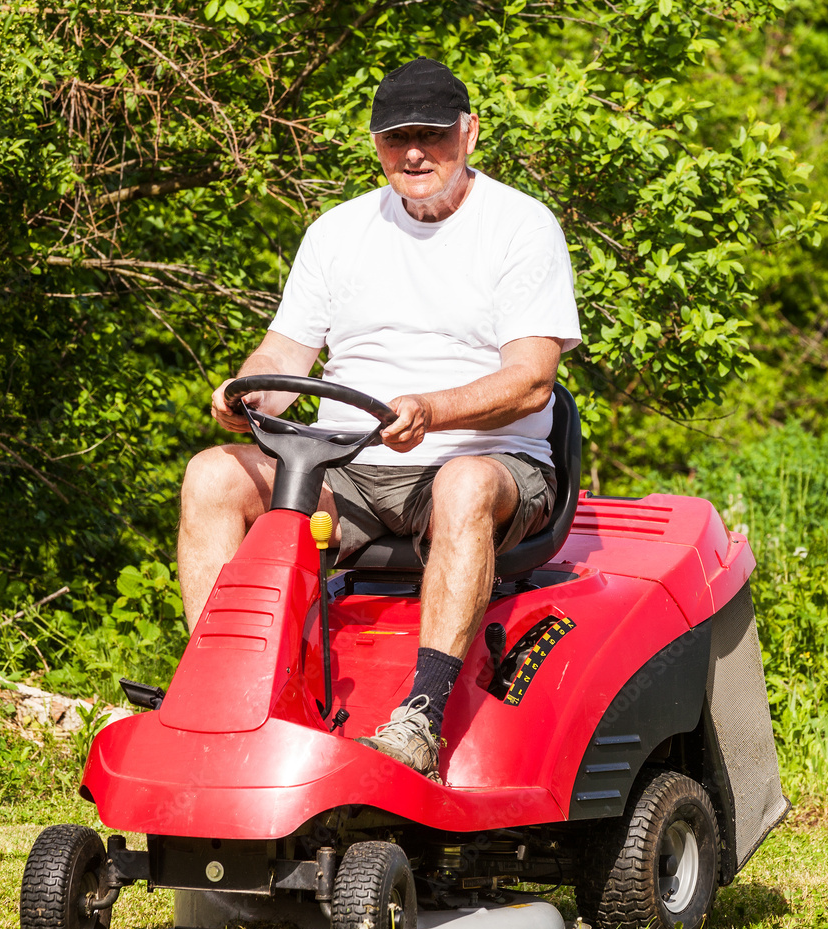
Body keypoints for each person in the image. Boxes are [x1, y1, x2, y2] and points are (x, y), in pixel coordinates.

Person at [179, 57, 581, 780]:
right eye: (399, 138)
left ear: (470, 134)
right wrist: (245, 395)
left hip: (489, 465)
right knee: (211, 474)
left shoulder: (521, 227)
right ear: (377, 147)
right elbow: (284, 353)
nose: (416, 153)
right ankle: (230, 699)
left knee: (461, 483)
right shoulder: (338, 233)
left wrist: (433, 409)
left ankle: (420, 722)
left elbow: (532, 381)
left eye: (433, 134)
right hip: (355, 467)